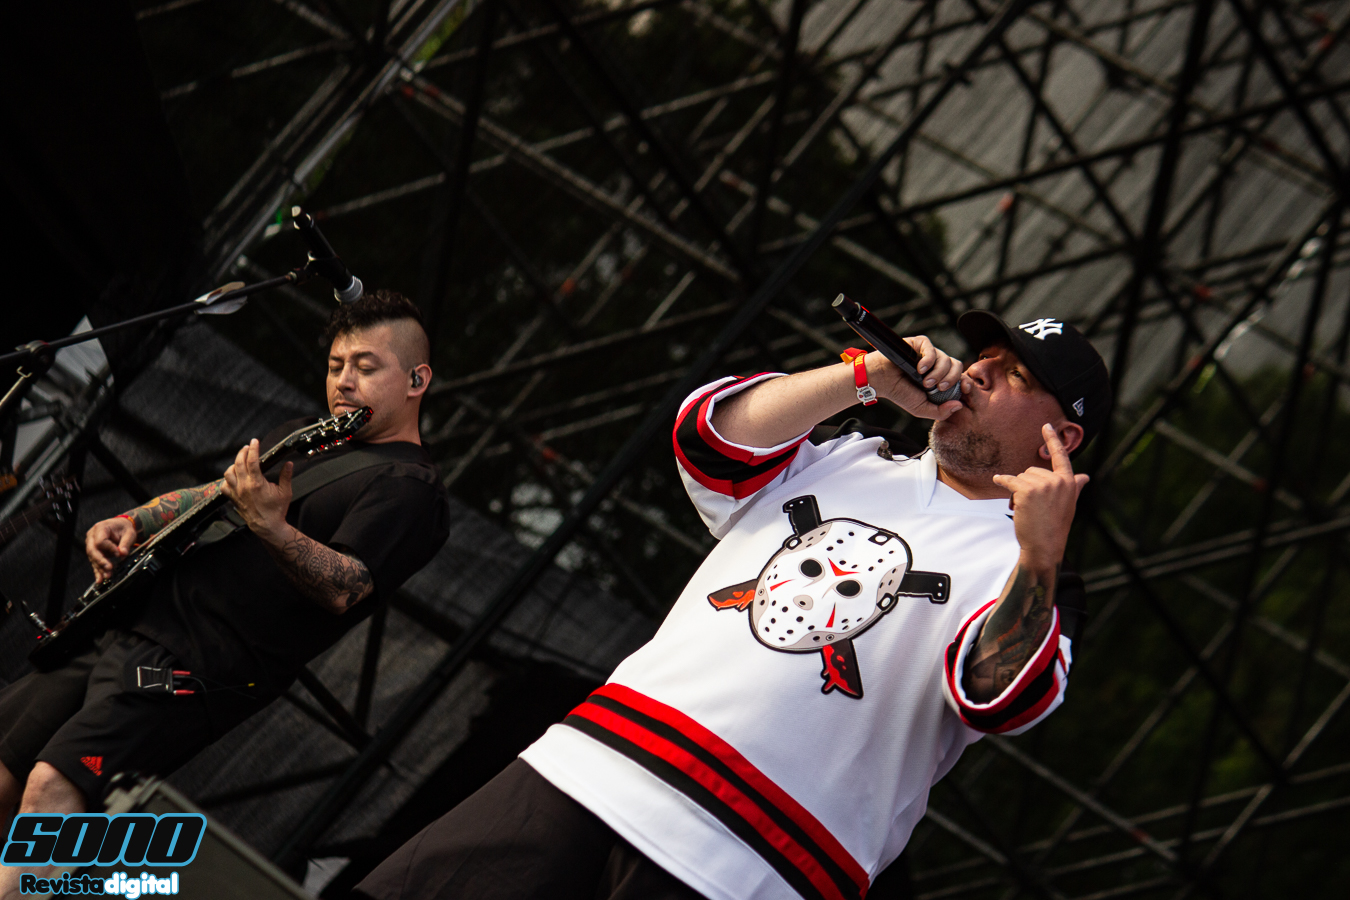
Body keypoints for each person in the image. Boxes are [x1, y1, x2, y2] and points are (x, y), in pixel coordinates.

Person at [355, 310, 1112, 900]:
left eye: (1014, 374)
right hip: (590, 769)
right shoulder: (853, 455)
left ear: (1063, 435)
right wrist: (866, 376)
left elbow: (999, 696)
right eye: (984, 356)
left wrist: (1039, 557)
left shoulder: (1031, 572)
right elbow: (709, 438)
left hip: (749, 867)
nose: (978, 371)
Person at [0, 290, 451, 898]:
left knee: (52, 788)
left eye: (366, 367)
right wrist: (135, 520)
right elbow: (217, 494)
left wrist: (272, 527)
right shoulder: (306, 435)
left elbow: (349, 587)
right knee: (5, 772)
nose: (344, 381)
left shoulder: (411, 487)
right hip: (126, 619)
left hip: (197, 662)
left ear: (417, 380)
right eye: (336, 365)